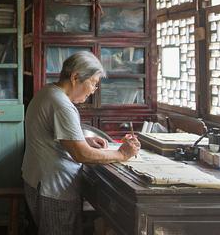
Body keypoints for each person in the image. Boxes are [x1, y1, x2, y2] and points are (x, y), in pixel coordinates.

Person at [22, 51, 140, 235]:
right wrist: (122, 154)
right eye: (93, 82)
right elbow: (81, 154)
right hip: (54, 188)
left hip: (38, 180)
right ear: (76, 77)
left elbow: (51, 136)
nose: (94, 89)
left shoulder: (48, 92)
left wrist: (83, 139)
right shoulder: (62, 105)